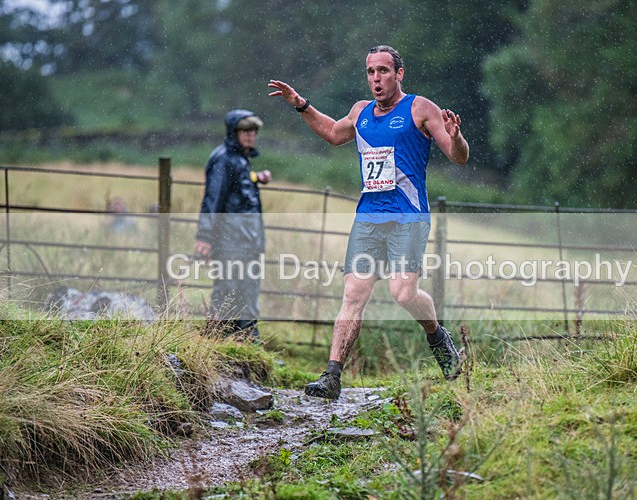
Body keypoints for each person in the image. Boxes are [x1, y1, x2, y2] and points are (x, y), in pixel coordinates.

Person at [268, 45, 470, 400]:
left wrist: (456, 138)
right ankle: (332, 376)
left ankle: (438, 336)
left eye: (383, 71)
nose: (376, 79)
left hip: (408, 216)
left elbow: (458, 158)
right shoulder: (361, 112)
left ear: (399, 74)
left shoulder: (420, 108)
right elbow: (332, 133)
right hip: (369, 219)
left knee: (402, 293)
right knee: (353, 293)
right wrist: (301, 104)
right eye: (371, 72)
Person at [195, 109, 272, 341]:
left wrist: (257, 178)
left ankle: (248, 341)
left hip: (248, 241)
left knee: (248, 289)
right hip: (229, 239)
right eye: (244, 131)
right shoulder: (223, 159)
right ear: (233, 132)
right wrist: (205, 236)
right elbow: (213, 199)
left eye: (253, 131)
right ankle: (216, 340)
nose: (250, 136)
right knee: (227, 288)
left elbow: (240, 190)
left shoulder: (240, 160)